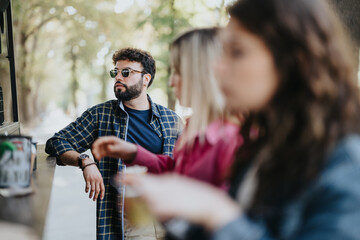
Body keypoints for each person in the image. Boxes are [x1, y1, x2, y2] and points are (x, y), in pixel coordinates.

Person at [122, 0, 360, 239]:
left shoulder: (345, 165)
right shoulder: (266, 145)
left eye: (237, 52)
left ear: (294, 58)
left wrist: (216, 212)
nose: (217, 69)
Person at [45, 47, 182, 240]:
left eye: (126, 72)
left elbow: (184, 168)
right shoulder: (100, 115)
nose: (118, 77)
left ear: (146, 79)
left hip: (169, 215)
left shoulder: (171, 120)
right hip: (128, 219)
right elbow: (56, 142)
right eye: (115, 72)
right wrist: (86, 161)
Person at [92, 28, 243, 189]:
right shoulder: (194, 127)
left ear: (202, 74)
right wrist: (133, 152)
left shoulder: (232, 138)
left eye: (177, 72)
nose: (171, 82)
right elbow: (177, 170)